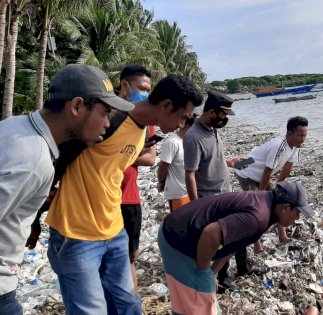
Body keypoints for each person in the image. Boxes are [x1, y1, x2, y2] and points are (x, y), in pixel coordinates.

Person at [38, 74, 202, 314]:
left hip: (114, 231)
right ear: (166, 106)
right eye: (183, 117)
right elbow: (57, 160)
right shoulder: (110, 120)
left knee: (128, 304)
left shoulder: (143, 131)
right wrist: (34, 215)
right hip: (75, 234)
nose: (182, 124)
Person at [0, 64, 134, 314]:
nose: (107, 125)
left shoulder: (13, 126)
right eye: (104, 113)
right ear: (77, 106)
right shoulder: (34, 161)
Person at [158, 181, 315, 315]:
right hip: (177, 239)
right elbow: (211, 234)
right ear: (285, 208)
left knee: (205, 297)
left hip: (187, 235)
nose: (297, 219)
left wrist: (212, 272)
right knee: (193, 303)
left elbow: (234, 243)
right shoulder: (258, 217)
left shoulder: (265, 205)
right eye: (298, 213)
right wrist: (203, 271)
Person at [183, 91, 248, 287]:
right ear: (211, 112)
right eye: (223, 115)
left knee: (239, 232)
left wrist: (230, 162)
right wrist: (196, 205)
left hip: (226, 192)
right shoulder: (194, 137)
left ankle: (243, 268)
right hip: (211, 199)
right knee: (224, 238)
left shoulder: (213, 130)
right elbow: (190, 174)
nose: (225, 120)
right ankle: (221, 278)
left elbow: (211, 160)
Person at [235, 116, 308, 248]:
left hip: (260, 172)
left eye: (305, 135)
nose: (302, 139)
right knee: (255, 207)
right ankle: (256, 242)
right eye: (300, 135)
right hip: (247, 171)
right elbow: (267, 171)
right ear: (289, 133)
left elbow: (287, 167)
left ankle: (282, 235)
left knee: (279, 201)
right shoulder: (279, 146)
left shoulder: (296, 146)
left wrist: (279, 187)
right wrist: (261, 194)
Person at [116, 65, 156, 293]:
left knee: (131, 256)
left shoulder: (145, 123)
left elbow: (151, 158)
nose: (146, 94)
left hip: (130, 197)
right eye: (142, 88)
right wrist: (132, 153)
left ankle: (133, 299)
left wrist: (120, 155)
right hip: (104, 197)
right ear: (124, 86)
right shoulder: (106, 116)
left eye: (149, 90)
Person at [157, 116, 195, 212]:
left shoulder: (191, 142)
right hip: (178, 193)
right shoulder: (172, 142)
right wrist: (161, 182)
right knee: (179, 222)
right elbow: (163, 166)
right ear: (187, 126)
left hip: (191, 190)